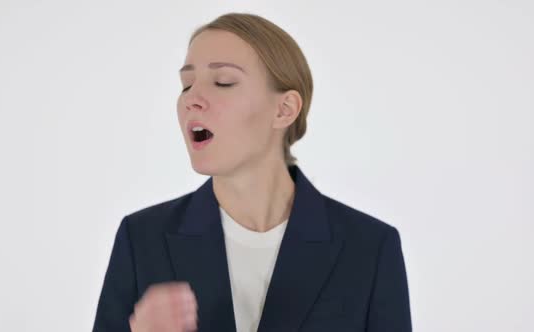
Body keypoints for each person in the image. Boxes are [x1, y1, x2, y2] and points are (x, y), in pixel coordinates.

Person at [93, 12, 412, 332]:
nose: (191, 98)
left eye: (224, 82)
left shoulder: (369, 248)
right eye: (186, 84)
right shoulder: (142, 238)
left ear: (284, 110)